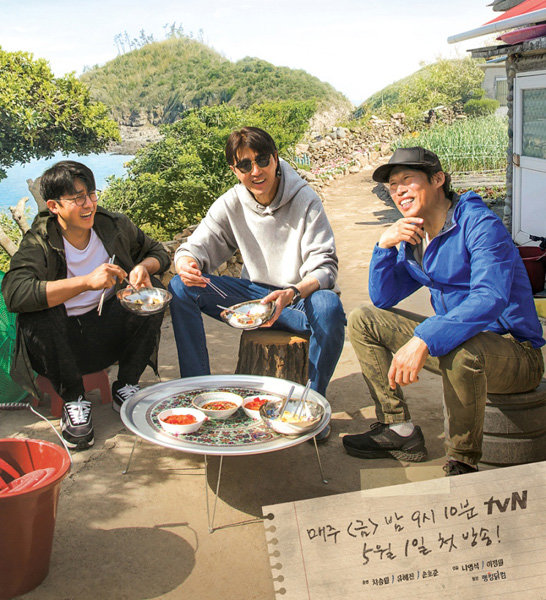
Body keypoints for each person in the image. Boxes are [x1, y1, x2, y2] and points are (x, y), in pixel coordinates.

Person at [343, 147, 545, 475]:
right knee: (363, 320)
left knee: (462, 350)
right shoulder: (415, 235)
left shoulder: (479, 223)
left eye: (407, 179)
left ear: (438, 180)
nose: (398, 190)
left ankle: (462, 461)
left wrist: (424, 338)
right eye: (393, 185)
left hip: (515, 352)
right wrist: (384, 246)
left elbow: (489, 297)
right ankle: (398, 429)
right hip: (458, 343)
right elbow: (384, 297)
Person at [168, 127, 345, 440]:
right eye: (245, 165)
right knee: (181, 287)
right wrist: (186, 264)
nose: (256, 170)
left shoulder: (305, 199)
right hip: (254, 301)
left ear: (275, 158)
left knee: (329, 304)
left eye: (262, 159)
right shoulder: (232, 203)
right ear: (235, 171)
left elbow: (325, 267)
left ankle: (312, 404)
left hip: (298, 302)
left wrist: (293, 292)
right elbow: (197, 246)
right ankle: (199, 395)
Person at [2, 161, 171, 450]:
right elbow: (15, 293)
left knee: (153, 290)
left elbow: (158, 251)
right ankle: (74, 400)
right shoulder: (39, 241)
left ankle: (126, 384)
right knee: (38, 314)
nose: (88, 204)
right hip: (59, 348)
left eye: (91, 194)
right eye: (77, 198)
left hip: (106, 338)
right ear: (54, 206)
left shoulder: (112, 226)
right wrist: (85, 282)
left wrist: (143, 267)